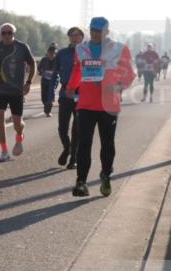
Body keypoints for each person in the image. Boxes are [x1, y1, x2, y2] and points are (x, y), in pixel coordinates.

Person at [67, 16, 135, 198]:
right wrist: (71, 87)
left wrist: (118, 86)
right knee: (84, 144)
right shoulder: (81, 48)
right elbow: (77, 69)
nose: (96, 33)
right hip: (86, 104)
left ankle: (106, 175)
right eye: (93, 30)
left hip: (109, 105)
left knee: (107, 145)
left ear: (107, 31)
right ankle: (81, 182)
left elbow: (130, 74)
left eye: (99, 30)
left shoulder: (120, 49)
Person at [0, 23, 36, 162]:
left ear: (14, 34)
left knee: (17, 123)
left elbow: (32, 64)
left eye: (10, 33)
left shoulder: (22, 47)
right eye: (4, 33)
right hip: (0, 90)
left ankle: (19, 134)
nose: (7, 35)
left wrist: (29, 82)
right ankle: (4, 151)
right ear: (0, 34)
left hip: (16, 91)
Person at [55, 26, 84, 169]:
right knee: (62, 128)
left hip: (81, 94)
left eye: (78, 35)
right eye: (72, 35)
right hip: (65, 93)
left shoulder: (88, 53)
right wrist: (49, 95)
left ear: (82, 37)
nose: (75, 37)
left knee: (77, 129)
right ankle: (67, 148)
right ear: (69, 37)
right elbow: (54, 73)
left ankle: (73, 159)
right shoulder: (62, 53)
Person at [38, 43, 59, 117]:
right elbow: (39, 67)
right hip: (44, 80)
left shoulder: (57, 60)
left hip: (53, 81)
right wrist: (41, 71)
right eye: (50, 53)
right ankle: (47, 105)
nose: (52, 55)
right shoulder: (44, 60)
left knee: (50, 95)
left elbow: (61, 68)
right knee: (44, 98)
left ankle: (48, 110)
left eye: (54, 54)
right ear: (47, 53)